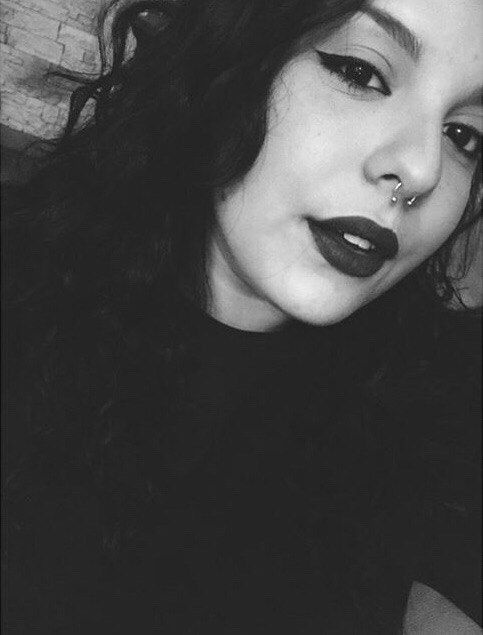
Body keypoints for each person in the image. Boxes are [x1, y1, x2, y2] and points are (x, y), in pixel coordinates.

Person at [2, 0, 482, 632]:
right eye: (361, 72)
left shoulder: (434, 409)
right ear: (231, 55)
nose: (421, 170)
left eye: (464, 135)